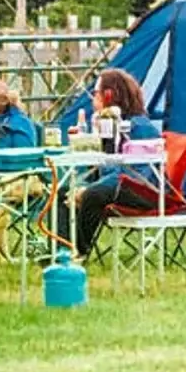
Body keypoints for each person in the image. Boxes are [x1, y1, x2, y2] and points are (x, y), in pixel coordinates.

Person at [63, 68, 161, 257]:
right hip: (115, 185)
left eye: (96, 93)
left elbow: (136, 174)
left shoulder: (139, 128)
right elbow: (99, 168)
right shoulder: (107, 127)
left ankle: (80, 251)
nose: (93, 98)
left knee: (93, 194)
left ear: (110, 96)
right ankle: (61, 248)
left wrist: (89, 188)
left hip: (143, 191)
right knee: (64, 191)